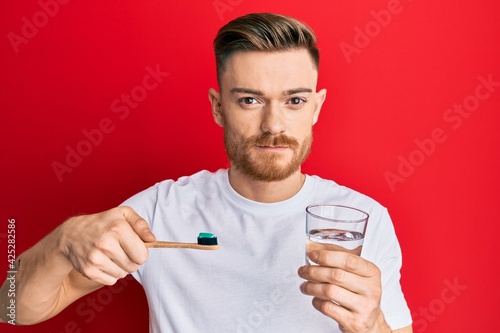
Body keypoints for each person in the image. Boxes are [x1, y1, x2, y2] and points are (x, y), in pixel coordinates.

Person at [0, 13, 413, 332]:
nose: (274, 125)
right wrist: (62, 240)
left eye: (294, 101)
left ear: (316, 107)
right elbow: (13, 307)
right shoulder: (161, 210)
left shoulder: (362, 219)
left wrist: (371, 324)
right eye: (250, 100)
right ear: (219, 107)